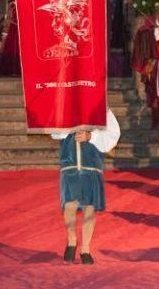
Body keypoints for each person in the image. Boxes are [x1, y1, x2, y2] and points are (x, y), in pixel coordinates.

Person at [51, 109, 121, 265]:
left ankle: (85, 249)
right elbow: (54, 132)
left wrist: (91, 136)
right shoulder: (64, 103)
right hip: (69, 165)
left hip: (91, 166)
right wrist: (68, 128)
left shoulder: (102, 106)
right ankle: (72, 240)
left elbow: (112, 134)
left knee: (89, 208)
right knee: (70, 205)